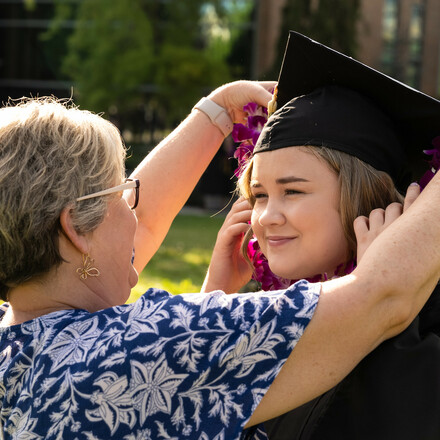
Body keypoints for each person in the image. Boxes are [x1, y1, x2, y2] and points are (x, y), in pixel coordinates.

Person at [0, 79, 438, 440]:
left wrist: (217, 112)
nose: (137, 217)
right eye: (124, 196)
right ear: (77, 229)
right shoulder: (137, 350)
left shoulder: (14, 343)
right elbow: (380, 295)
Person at [203, 32, 440, 439]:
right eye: (258, 195)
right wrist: (214, 299)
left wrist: (375, 300)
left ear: (366, 199)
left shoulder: (428, 321)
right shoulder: (263, 307)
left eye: (292, 191)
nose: (266, 218)